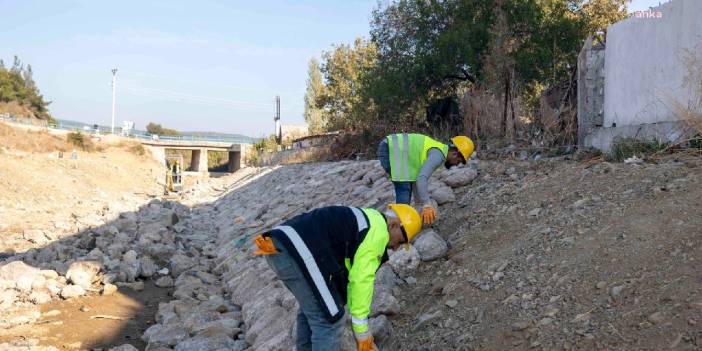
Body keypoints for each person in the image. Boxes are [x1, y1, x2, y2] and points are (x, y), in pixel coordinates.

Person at [253, 204, 422, 351]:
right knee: (329, 320)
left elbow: (347, 266)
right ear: (393, 225)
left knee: (314, 310)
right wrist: (362, 331)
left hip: (280, 247)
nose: (395, 248)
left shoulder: (367, 219)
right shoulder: (378, 233)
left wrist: (340, 298)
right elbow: (361, 279)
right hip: (298, 250)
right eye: (401, 241)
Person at [377, 133, 474, 225]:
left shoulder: (438, 151)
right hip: (389, 149)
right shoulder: (438, 155)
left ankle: (396, 225)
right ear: (455, 153)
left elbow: (416, 177)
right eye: (459, 161)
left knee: (406, 187)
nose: (457, 164)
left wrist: (419, 202)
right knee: (404, 190)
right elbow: (421, 178)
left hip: (391, 147)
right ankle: (393, 227)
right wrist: (426, 204)